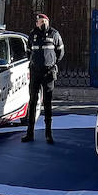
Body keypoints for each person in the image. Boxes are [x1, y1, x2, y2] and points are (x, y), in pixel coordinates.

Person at [23, 12, 64, 143]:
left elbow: (60, 52)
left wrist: (52, 62)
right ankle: (30, 133)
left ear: (47, 22)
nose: (41, 23)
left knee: (47, 103)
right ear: (36, 23)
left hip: (48, 72)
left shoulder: (54, 34)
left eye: (43, 21)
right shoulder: (32, 34)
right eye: (39, 22)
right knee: (33, 101)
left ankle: (48, 133)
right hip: (35, 72)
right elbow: (28, 51)